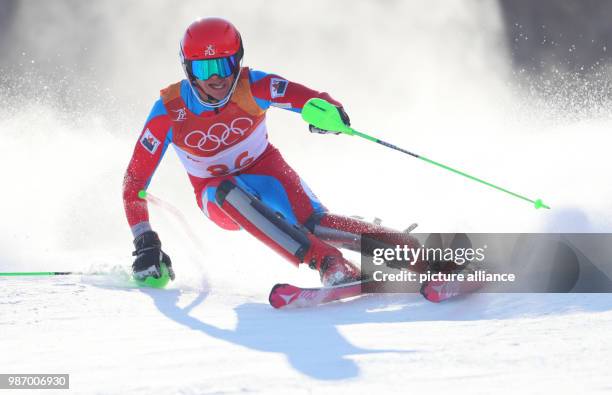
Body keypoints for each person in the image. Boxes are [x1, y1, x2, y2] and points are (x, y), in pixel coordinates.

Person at [123, 17, 425, 287]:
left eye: (225, 65)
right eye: (205, 68)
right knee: (224, 191)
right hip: (215, 196)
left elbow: (307, 99)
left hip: (265, 170)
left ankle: (410, 250)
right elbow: (134, 182)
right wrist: (144, 240)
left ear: (238, 61)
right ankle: (329, 263)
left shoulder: (252, 85)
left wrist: (328, 114)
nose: (216, 78)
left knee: (313, 222)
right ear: (189, 69)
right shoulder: (168, 111)